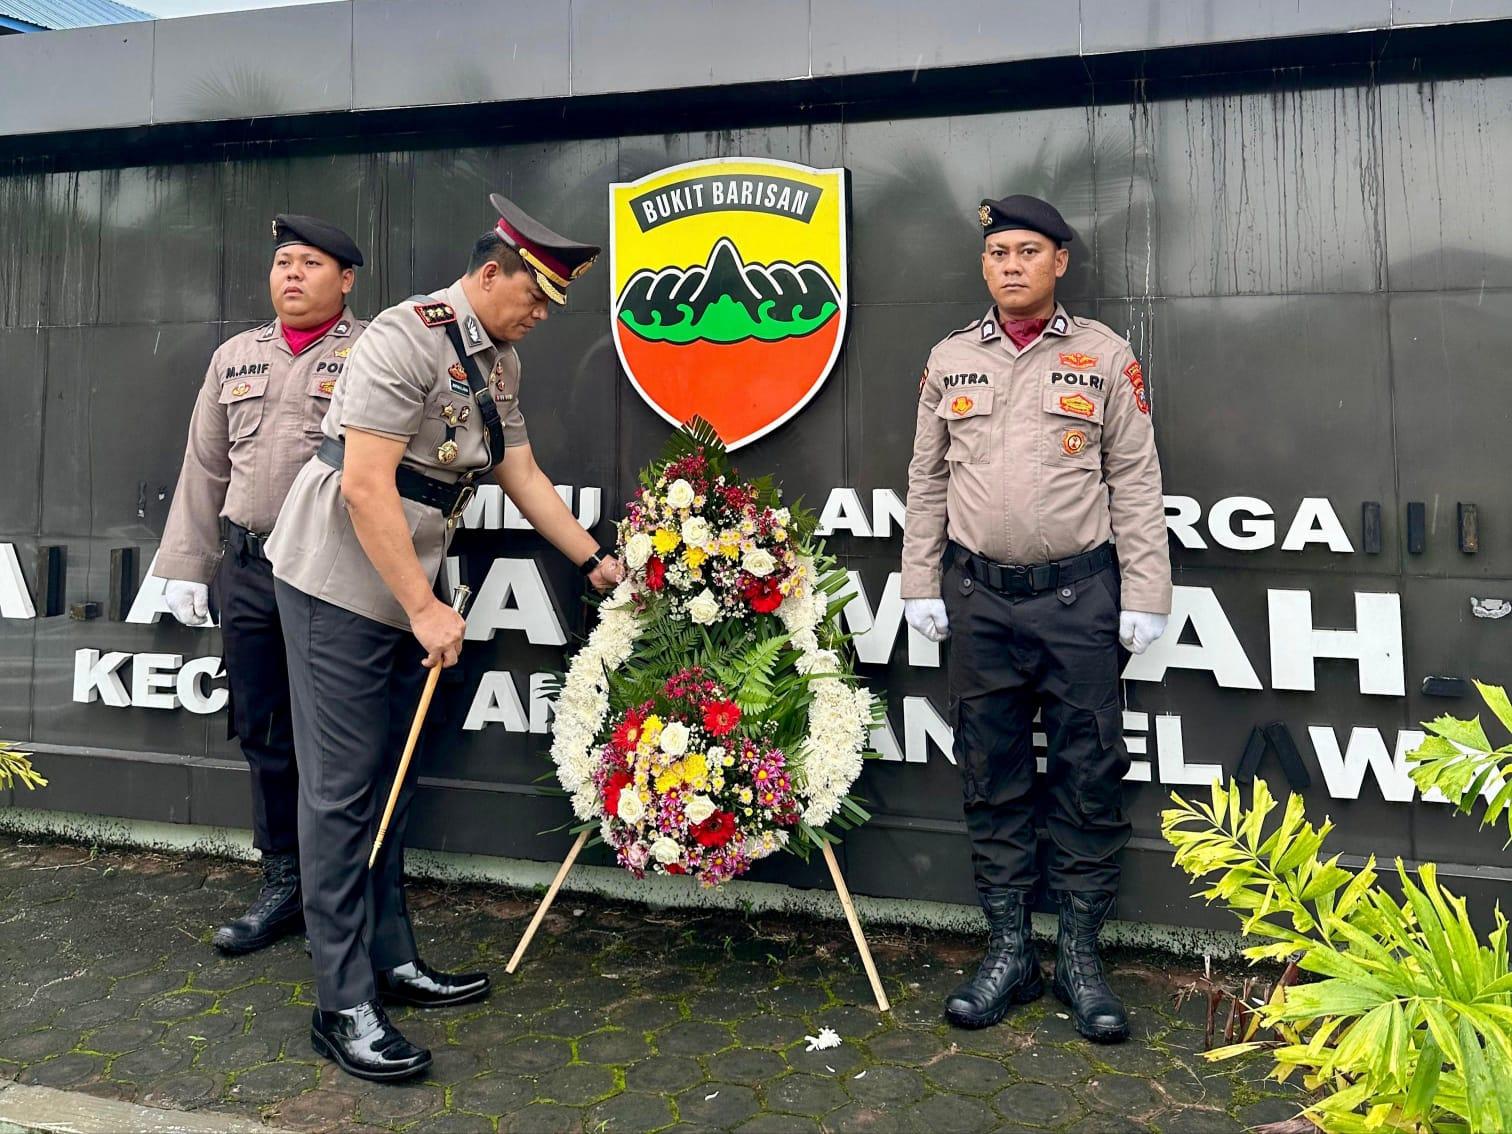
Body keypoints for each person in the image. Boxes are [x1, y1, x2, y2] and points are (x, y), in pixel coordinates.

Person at [265, 193, 625, 1082]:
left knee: (390, 784)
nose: (541, 316)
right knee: (342, 793)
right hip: (340, 578)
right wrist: (424, 608)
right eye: (534, 297)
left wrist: (592, 560)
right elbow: (364, 484)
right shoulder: (404, 337)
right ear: (490, 274)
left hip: (402, 578)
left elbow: (519, 468)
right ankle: (341, 1002)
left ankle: (390, 959)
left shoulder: (497, 357)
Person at [901, 194, 1171, 1043]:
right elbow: (927, 480)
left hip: (1077, 600)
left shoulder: (1105, 356)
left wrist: (1145, 594)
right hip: (978, 600)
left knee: (1090, 775)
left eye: (1027, 251)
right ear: (984, 264)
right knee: (993, 775)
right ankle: (1010, 952)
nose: (1011, 265)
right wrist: (918, 582)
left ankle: (1080, 959)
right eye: (998, 253)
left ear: (1060, 261)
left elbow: (1135, 481)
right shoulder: (951, 359)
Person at [157, 215, 366, 955]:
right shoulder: (235, 357)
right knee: (265, 730)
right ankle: (285, 884)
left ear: (345, 279)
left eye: (311, 263)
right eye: (283, 262)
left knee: (336, 739)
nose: (293, 275)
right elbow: (204, 466)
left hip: (337, 572)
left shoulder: (372, 353)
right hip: (248, 569)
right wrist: (187, 565)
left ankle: (341, 895)